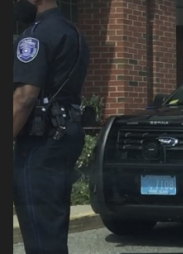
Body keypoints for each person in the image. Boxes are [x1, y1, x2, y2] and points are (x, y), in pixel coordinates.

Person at [13, 0, 89, 253]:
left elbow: (24, 97)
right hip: (66, 134)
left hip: (39, 141)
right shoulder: (73, 33)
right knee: (53, 223)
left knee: (38, 230)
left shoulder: (34, 36)